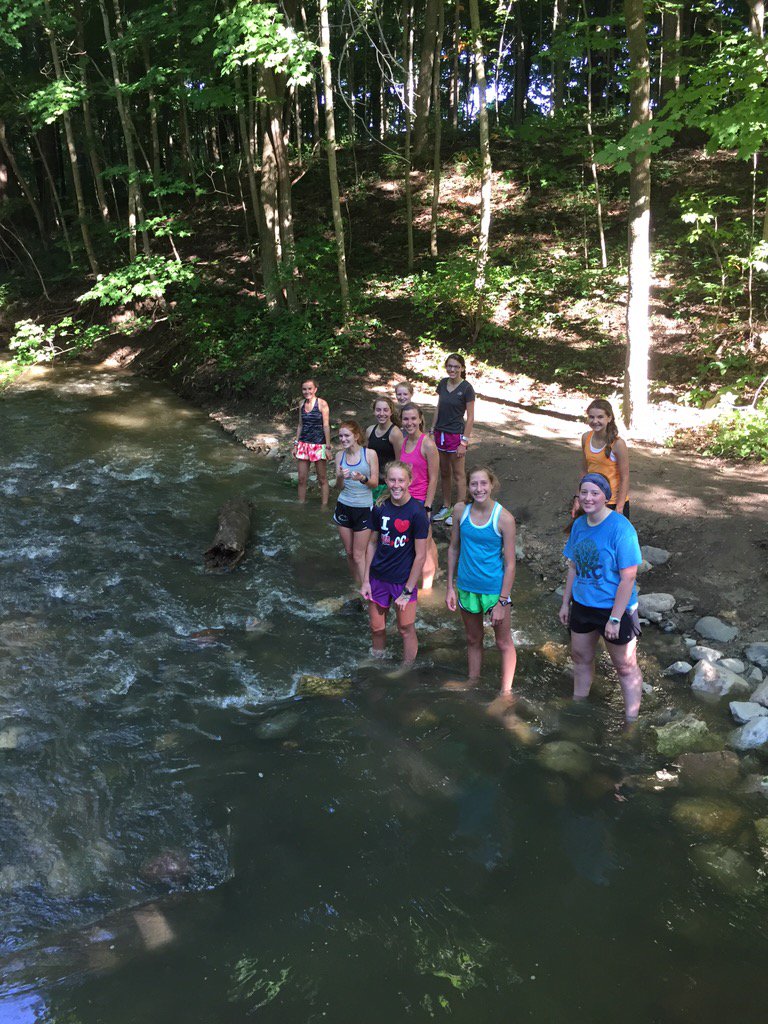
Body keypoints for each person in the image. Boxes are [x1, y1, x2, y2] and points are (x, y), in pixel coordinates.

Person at [559, 473, 644, 723]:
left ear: (606, 497)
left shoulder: (621, 528)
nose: (588, 498)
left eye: (594, 493)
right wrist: (566, 602)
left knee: (625, 667)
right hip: (583, 605)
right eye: (583, 492)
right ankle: (579, 705)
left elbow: (628, 578)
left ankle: (631, 722)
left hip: (615, 608)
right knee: (581, 658)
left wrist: (615, 618)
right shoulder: (579, 525)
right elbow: (573, 566)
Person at [446, 467, 517, 695]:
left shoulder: (504, 518)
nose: (479, 489)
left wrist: (502, 602)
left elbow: (510, 564)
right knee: (473, 638)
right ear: (468, 486)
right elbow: (453, 548)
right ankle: (473, 681)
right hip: (467, 587)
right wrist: (450, 586)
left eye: (483, 484)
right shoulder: (460, 511)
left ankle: (506, 693)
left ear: (491, 484)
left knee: (503, 643)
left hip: (495, 591)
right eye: (474, 484)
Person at [361, 461, 429, 664]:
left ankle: (406, 669)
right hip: (378, 577)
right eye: (392, 480)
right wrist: (365, 580)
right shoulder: (380, 506)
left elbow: (421, 555)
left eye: (401, 480)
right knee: (377, 628)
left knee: (405, 629)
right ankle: (377, 661)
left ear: (409, 481)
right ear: (386, 481)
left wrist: (408, 590)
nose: (396, 485)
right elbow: (372, 544)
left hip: (402, 581)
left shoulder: (417, 512)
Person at [430, 354, 476, 525]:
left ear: (462, 368)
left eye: (456, 366)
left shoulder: (466, 388)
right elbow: (439, 407)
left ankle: (460, 508)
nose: (452, 369)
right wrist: (432, 428)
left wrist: (464, 441)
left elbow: (470, 418)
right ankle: (446, 506)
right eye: (449, 366)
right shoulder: (442, 383)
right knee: (444, 472)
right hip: (439, 433)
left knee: (458, 474)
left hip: (456, 435)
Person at [333, 421, 379, 587]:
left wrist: (362, 478)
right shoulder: (340, 456)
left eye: (347, 435)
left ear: (356, 436)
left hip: (364, 507)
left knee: (360, 554)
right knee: (350, 552)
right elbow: (339, 487)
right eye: (341, 436)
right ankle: (357, 585)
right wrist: (340, 477)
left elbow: (374, 483)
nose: (343, 439)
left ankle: (367, 588)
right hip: (344, 505)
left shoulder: (370, 454)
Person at [399, 402, 440, 589]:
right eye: (406, 419)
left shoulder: (428, 444)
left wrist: (428, 507)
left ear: (420, 419)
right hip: (404, 500)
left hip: (421, 501)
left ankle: (428, 587)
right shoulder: (403, 442)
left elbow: (433, 479)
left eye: (413, 418)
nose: (410, 422)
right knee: (415, 544)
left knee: (425, 545)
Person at [571, 398, 630, 519]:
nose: (595, 421)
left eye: (600, 417)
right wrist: (577, 498)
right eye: (591, 417)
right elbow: (584, 471)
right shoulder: (586, 438)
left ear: (609, 418)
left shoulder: (618, 444)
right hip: (591, 500)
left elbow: (625, 477)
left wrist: (619, 507)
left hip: (612, 502)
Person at [293, 379, 332, 505]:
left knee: (322, 479)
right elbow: (300, 425)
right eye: (304, 389)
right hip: (303, 444)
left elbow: (326, 426)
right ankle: (300, 505)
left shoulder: (322, 404)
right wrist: (295, 444)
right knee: (301, 479)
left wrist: (327, 447)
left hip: (319, 444)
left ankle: (324, 506)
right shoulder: (301, 404)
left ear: (315, 389)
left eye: (310, 388)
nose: (307, 391)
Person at [366, 396, 403, 501]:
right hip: (371, 481)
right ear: (374, 411)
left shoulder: (395, 433)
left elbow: (399, 462)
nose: (381, 413)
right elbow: (367, 457)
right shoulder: (370, 431)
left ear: (391, 412)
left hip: (387, 484)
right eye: (378, 410)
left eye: (385, 410)